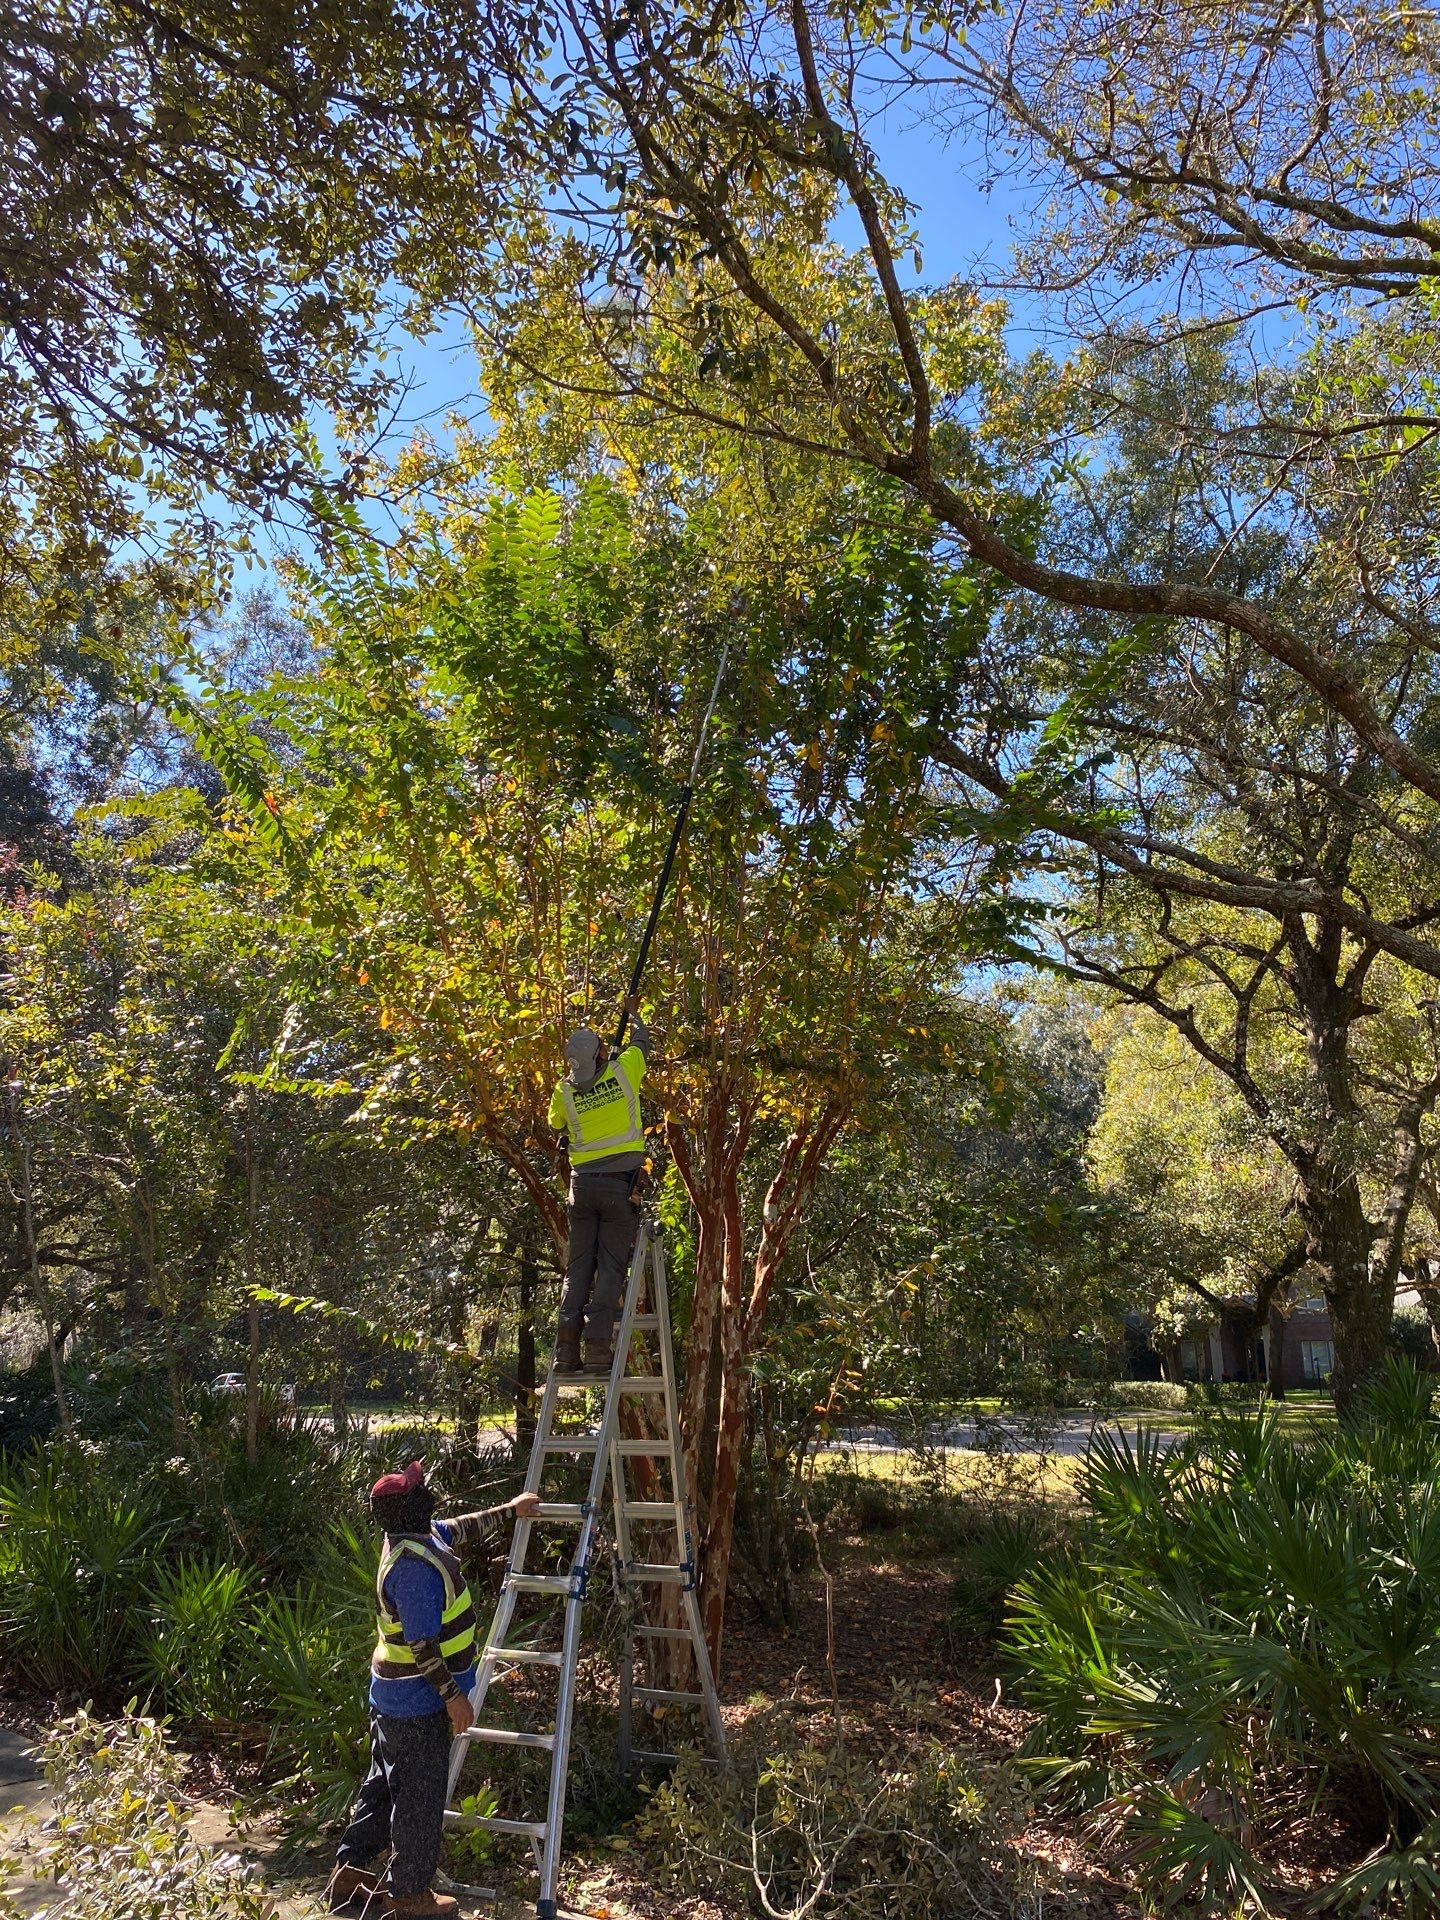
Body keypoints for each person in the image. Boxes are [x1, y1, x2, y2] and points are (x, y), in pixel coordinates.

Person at [327, 1461, 541, 1917]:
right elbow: (423, 1647)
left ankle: (350, 1872)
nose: (427, 1492)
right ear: (406, 1508)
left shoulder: (418, 1537)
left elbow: (458, 1526)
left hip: (391, 1696)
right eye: (417, 1490)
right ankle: (409, 1895)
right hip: (415, 1703)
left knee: (383, 1787)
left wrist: (511, 1509)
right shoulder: (412, 1570)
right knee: (419, 1798)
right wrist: (454, 1698)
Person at [548, 993, 649, 1376]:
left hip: (582, 1188)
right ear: (601, 1054)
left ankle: (565, 1351)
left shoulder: (563, 1091)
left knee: (577, 1270)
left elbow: (556, 1124)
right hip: (619, 1188)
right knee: (609, 1267)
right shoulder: (623, 1071)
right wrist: (633, 1015)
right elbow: (643, 1041)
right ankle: (597, 1351)